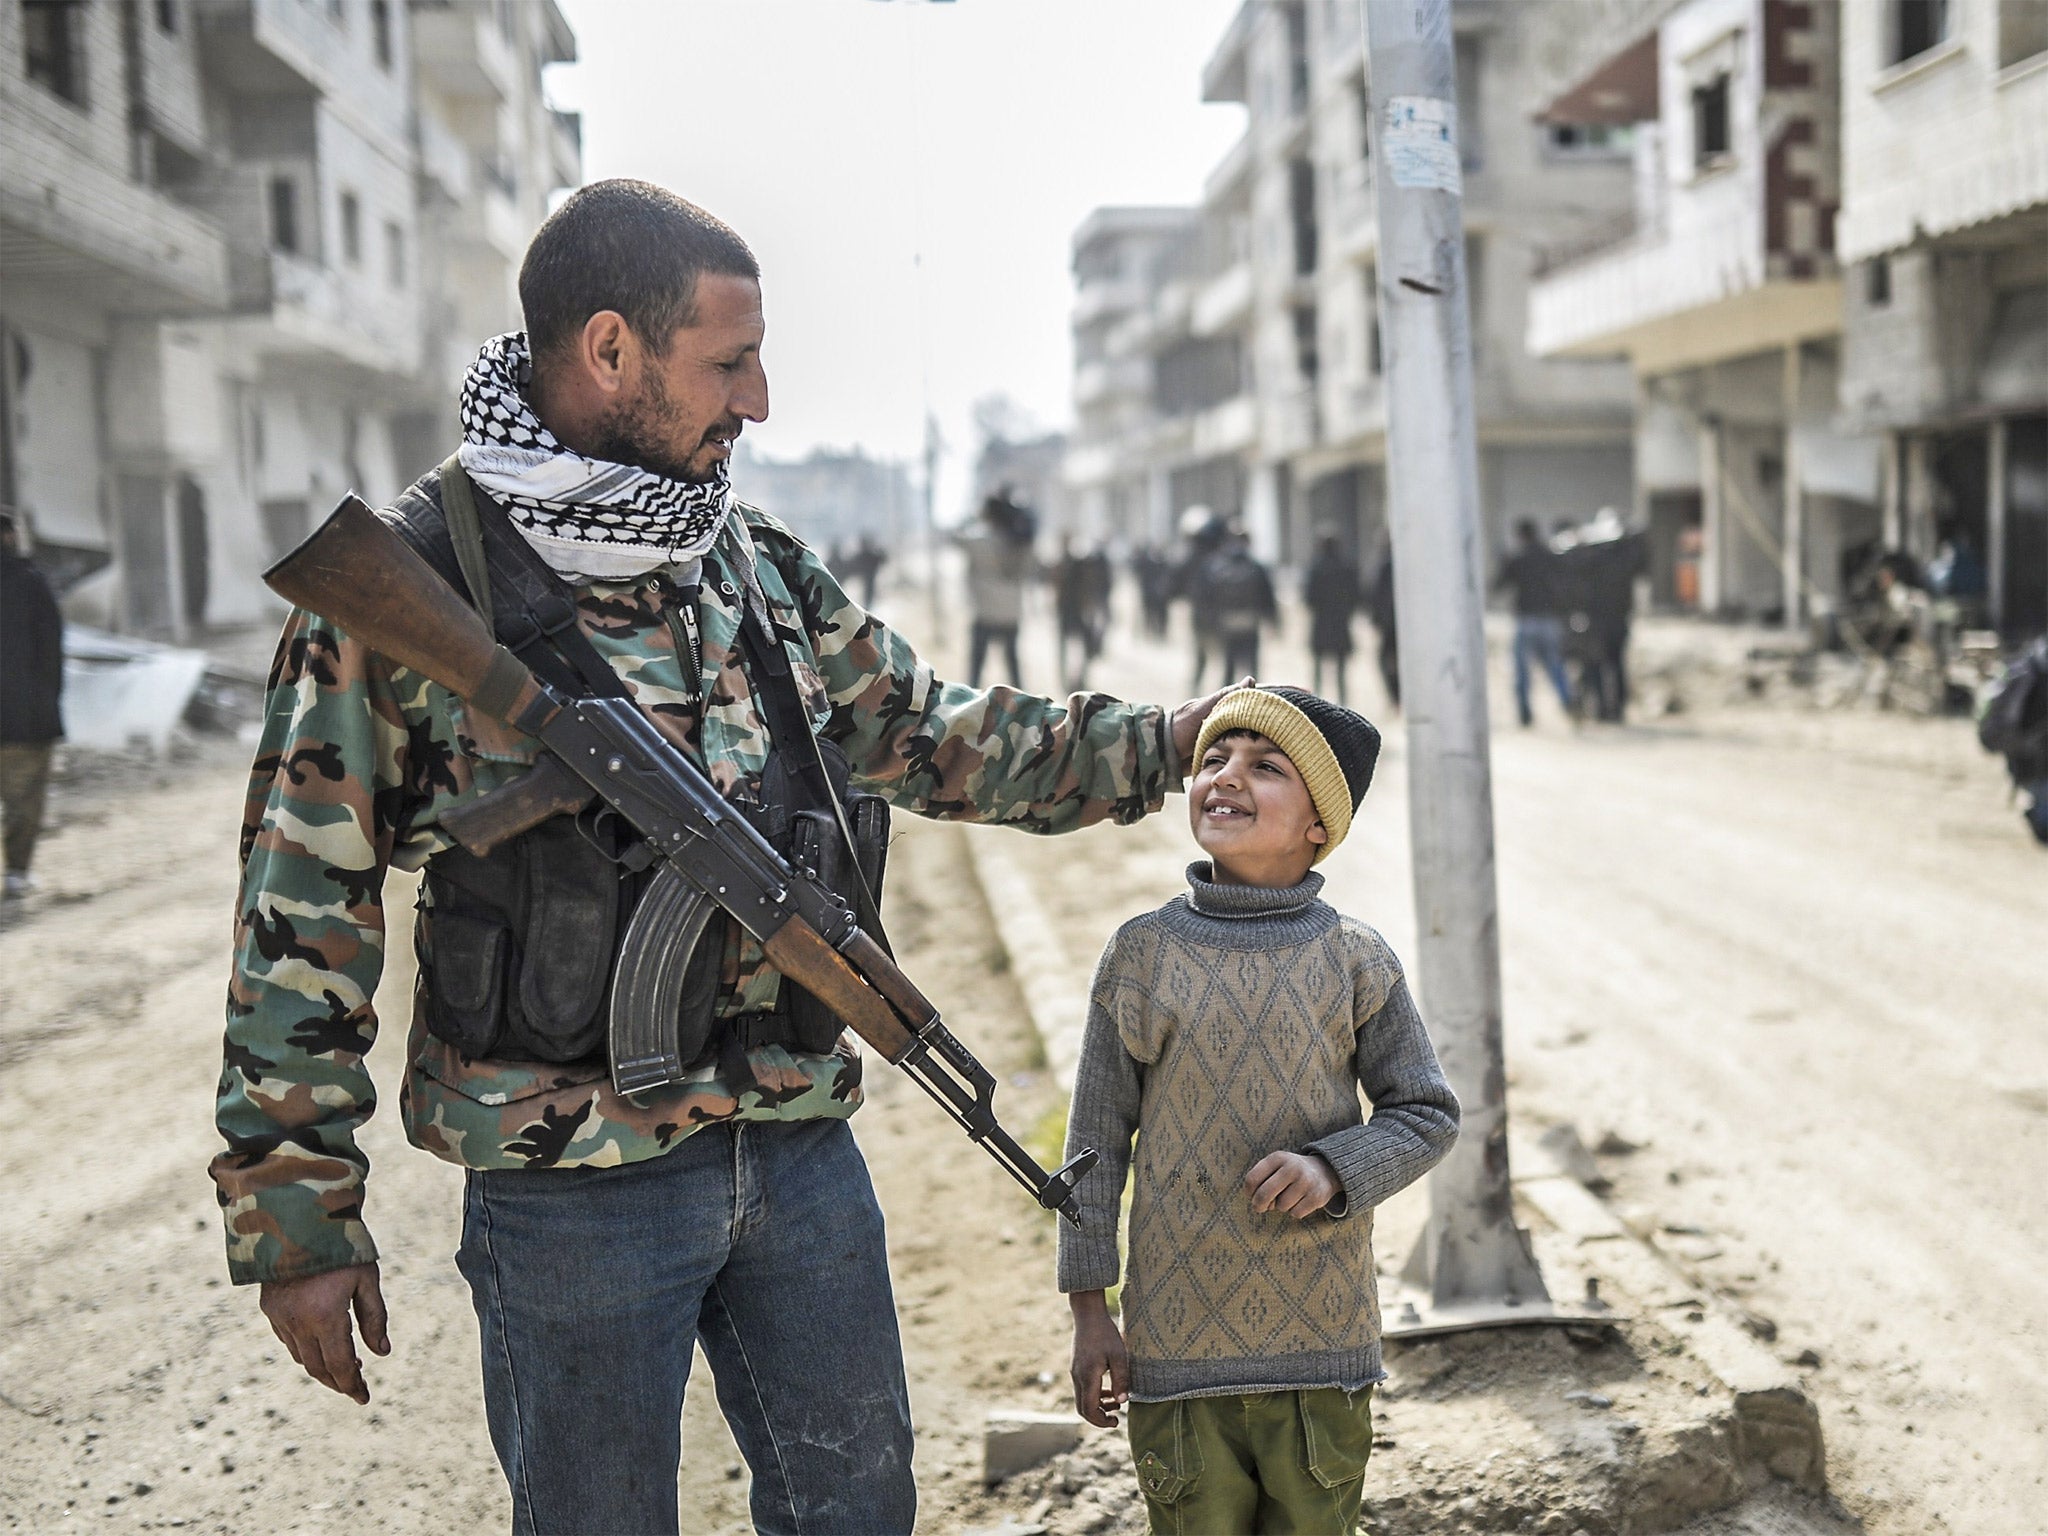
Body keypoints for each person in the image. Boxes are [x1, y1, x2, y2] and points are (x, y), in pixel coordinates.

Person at [211, 179, 1239, 1536]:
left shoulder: (747, 563)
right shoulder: (410, 589)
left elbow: (930, 736)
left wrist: (1173, 741)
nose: (759, 400)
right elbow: (301, 907)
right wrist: (299, 1221)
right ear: (611, 352)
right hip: (572, 1190)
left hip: (798, 1142)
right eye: (730, 361)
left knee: (856, 1509)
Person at [1060, 684, 1459, 1535]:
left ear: (1322, 823)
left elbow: (1424, 1111)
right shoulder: (1141, 954)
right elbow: (1093, 1143)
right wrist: (1092, 1313)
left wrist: (1332, 1168)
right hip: (1175, 1354)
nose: (1225, 777)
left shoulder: (1354, 960)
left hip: (1321, 1351)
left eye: (1265, 766)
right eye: (1211, 759)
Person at [1, 512, 65, 898]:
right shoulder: (30, 584)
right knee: (24, 799)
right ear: (9, 536)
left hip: (25, 715)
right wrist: (49, 705)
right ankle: (16, 872)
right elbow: (51, 654)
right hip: (26, 719)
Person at [1494, 518, 1573, 726]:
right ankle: (1568, 703)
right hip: (1550, 620)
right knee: (1555, 666)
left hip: (1526, 620)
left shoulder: (1517, 558)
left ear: (1520, 536)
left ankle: (1525, 714)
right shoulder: (1551, 557)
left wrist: (1503, 562)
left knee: (1522, 671)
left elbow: (1499, 585)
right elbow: (1565, 584)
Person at [960, 488, 1035, 688]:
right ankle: (1023, 707)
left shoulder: (979, 539)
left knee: (976, 670)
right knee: (1013, 667)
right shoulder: (1021, 542)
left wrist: (974, 517)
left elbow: (956, 536)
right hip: (1011, 614)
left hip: (986, 614)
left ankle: (971, 705)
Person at [1204, 531, 1279, 684]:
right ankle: (1255, 700)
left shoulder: (1217, 566)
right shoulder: (1256, 566)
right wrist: (1273, 620)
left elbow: (1208, 597)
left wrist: (1209, 623)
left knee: (1228, 667)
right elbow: (1267, 595)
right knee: (1252, 668)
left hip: (1226, 623)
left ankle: (1226, 701)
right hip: (1249, 622)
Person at [1303, 535, 1363, 705]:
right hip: (1340, 623)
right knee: (1341, 669)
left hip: (1321, 623)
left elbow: (1309, 598)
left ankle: (1314, 701)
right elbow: (1357, 596)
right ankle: (1343, 702)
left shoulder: (1315, 568)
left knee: (1318, 667)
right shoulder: (1347, 568)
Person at [1053, 534, 1113, 690]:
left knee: (1078, 648)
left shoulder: (1074, 565)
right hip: (1071, 611)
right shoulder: (1068, 565)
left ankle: (1075, 679)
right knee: (1073, 648)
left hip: (1076, 611)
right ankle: (1072, 679)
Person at [1367, 539, 1400, 710]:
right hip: (1402, 626)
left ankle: (1396, 698)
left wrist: (1376, 621)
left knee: (1385, 661)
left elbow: (1377, 596)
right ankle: (1399, 697)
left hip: (1390, 625)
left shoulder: (1384, 567)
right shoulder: (1407, 564)